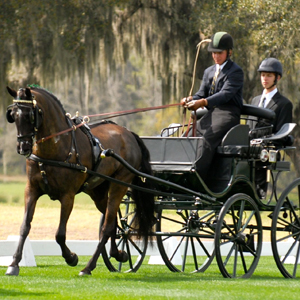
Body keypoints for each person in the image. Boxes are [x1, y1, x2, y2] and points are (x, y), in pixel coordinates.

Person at [181, 31, 244, 180]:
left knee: (206, 139)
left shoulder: (235, 72)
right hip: (211, 113)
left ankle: (197, 177)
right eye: (213, 53)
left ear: (229, 52)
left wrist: (203, 102)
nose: (216, 56)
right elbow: (201, 93)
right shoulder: (208, 71)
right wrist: (189, 99)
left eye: (219, 53)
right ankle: (179, 173)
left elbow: (225, 94)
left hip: (228, 114)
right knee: (188, 136)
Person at [248, 57, 293, 198]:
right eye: (263, 75)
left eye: (269, 75)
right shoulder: (254, 101)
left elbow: (281, 133)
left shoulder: (284, 104)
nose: (265, 79)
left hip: (268, 150)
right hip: (249, 148)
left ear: (277, 78)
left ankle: (259, 194)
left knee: (258, 158)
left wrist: (264, 144)